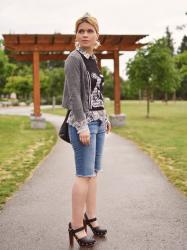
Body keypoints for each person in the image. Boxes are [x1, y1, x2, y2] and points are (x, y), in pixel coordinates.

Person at [62, 13, 112, 247]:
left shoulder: (93, 58)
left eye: (89, 31)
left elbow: (96, 93)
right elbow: (74, 96)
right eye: (81, 30)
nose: (84, 34)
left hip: (98, 122)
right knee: (83, 175)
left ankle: (90, 218)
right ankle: (76, 225)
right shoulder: (74, 59)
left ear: (96, 35)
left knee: (93, 174)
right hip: (83, 124)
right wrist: (82, 125)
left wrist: (105, 116)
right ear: (76, 35)